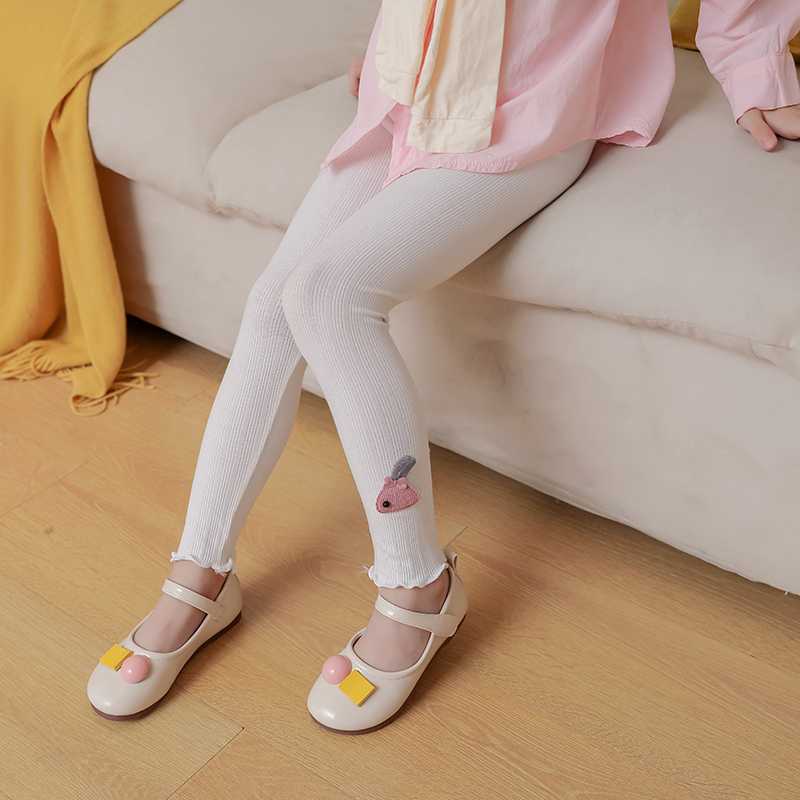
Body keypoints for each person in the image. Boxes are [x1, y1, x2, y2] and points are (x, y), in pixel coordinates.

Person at [87, 0, 800, 733]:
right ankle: (199, 571)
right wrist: (404, 44)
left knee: (327, 298)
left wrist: (756, 67)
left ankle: (418, 586)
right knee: (273, 304)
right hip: (414, 92)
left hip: (530, 110)